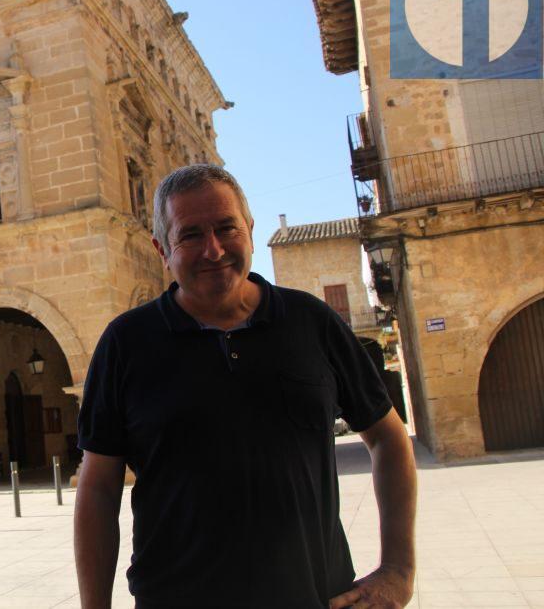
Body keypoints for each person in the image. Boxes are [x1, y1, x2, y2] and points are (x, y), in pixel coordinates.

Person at [74, 165, 416, 609]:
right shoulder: (126, 342)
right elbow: (99, 486)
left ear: (250, 231)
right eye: (191, 235)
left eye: (226, 228)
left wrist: (398, 570)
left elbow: (389, 438)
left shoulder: (312, 322)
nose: (213, 250)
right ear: (163, 249)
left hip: (316, 597)